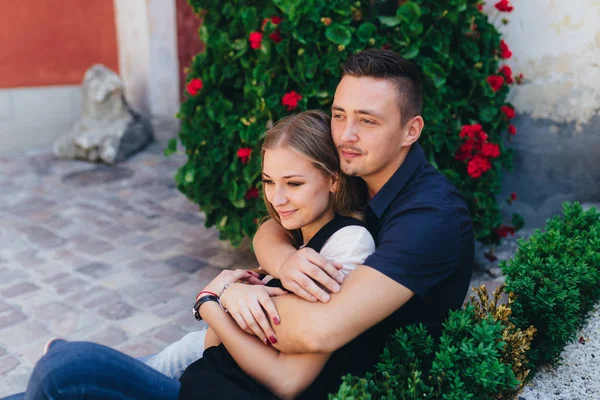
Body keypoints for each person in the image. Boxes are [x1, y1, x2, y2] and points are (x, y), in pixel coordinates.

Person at [4, 110, 376, 400]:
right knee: (52, 379)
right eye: (268, 182)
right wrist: (230, 296)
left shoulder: (347, 243)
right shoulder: (292, 240)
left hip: (217, 392)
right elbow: (216, 340)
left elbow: (288, 381)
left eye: (293, 184)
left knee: (64, 371)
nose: (277, 199)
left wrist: (211, 301)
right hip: (200, 378)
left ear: (333, 180)